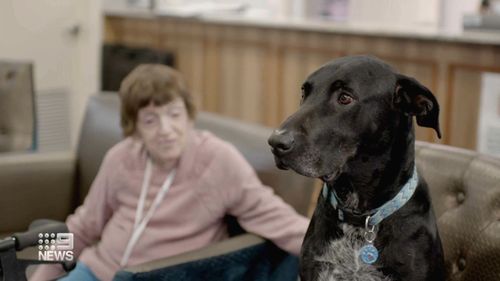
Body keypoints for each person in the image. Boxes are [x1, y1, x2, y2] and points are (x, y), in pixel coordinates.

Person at [30, 64, 309, 281]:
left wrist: (341, 251)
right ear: (135, 128)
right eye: (150, 120)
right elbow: (83, 226)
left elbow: (276, 218)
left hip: (156, 275)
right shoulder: (121, 157)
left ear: (188, 115)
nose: (166, 130)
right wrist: (43, 274)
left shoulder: (217, 160)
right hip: (96, 269)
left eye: (174, 114)